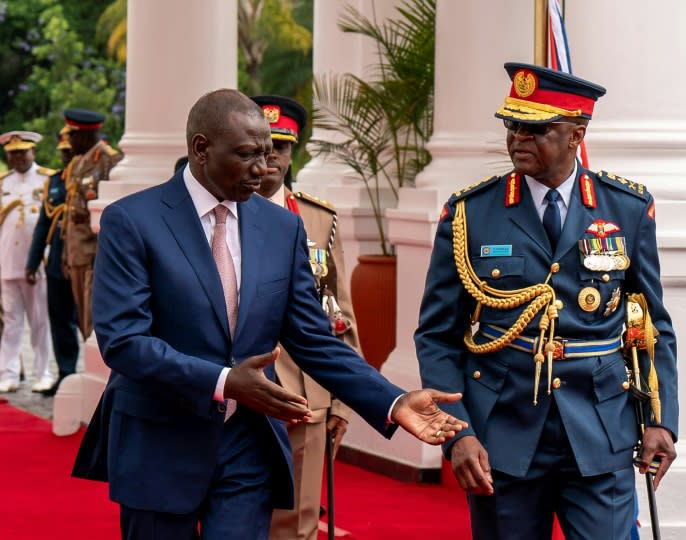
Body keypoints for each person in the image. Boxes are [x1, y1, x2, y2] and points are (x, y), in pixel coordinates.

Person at [72, 88, 467, 540]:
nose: (263, 169)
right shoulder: (132, 221)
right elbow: (124, 341)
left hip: (248, 445)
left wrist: (393, 402)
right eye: (246, 155)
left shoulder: (282, 226)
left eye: (267, 153)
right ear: (201, 149)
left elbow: (313, 340)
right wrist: (223, 382)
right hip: (159, 442)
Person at [414, 63, 679, 539]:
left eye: (536, 128)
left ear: (577, 133)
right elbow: (437, 336)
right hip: (503, 433)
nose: (518, 138)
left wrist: (661, 420)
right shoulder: (469, 213)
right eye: (512, 125)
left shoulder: (626, 209)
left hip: (601, 429)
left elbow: (652, 326)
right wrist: (458, 431)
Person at [251, 95, 354, 540]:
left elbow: (339, 312)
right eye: (261, 144)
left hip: (306, 389)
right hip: (236, 384)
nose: (271, 157)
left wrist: (343, 399)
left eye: (281, 146)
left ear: (294, 152)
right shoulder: (214, 214)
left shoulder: (318, 218)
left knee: (298, 524)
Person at [25, 127, 80, 397]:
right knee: (59, 321)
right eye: (63, 152)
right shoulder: (55, 182)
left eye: (69, 152)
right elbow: (43, 224)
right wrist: (33, 262)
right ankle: (67, 373)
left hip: (85, 265)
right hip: (57, 261)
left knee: (90, 322)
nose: (66, 157)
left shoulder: (90, 180)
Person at [60, 108, 122, 340]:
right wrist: (66, 255)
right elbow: (70, 211)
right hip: (77, 252)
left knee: (93, 319)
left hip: (94, 253)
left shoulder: (109, 161)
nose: (69, 142)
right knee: (82, 319)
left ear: (84, 136)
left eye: (72, 136)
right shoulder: (77, 163)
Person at [0, 131, 55, 393]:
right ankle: (8, 374)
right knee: (11, 322)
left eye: (22, 152)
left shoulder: (47, 179)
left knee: (39, 322)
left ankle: (43, 373)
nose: (17, 158)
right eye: (13, 153)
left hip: (37, 264)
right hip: (8, 261)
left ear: (33, 151)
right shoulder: (3, 182)